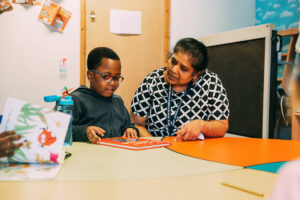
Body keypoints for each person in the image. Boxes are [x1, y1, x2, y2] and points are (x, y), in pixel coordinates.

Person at [130, 38, 229, 141]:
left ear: (195, 74)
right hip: (154, 147)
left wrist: (202, 125)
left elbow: (222, 126)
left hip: (193, 150)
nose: (173, 69)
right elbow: (136, 124)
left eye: (183, 69)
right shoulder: (152, 80)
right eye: (173, 61)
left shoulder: (210, 83)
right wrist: (156, 145)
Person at [71, 47, 139, 143]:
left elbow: (128, 125)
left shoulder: (117, 101)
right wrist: (85, 131)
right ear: (90, 75)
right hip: (88, 156)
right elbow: (58, 131)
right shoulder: (76, 100)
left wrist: (130, 130)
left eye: (116, 78)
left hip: (114, 155)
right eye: (106, 77)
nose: (112, 83)